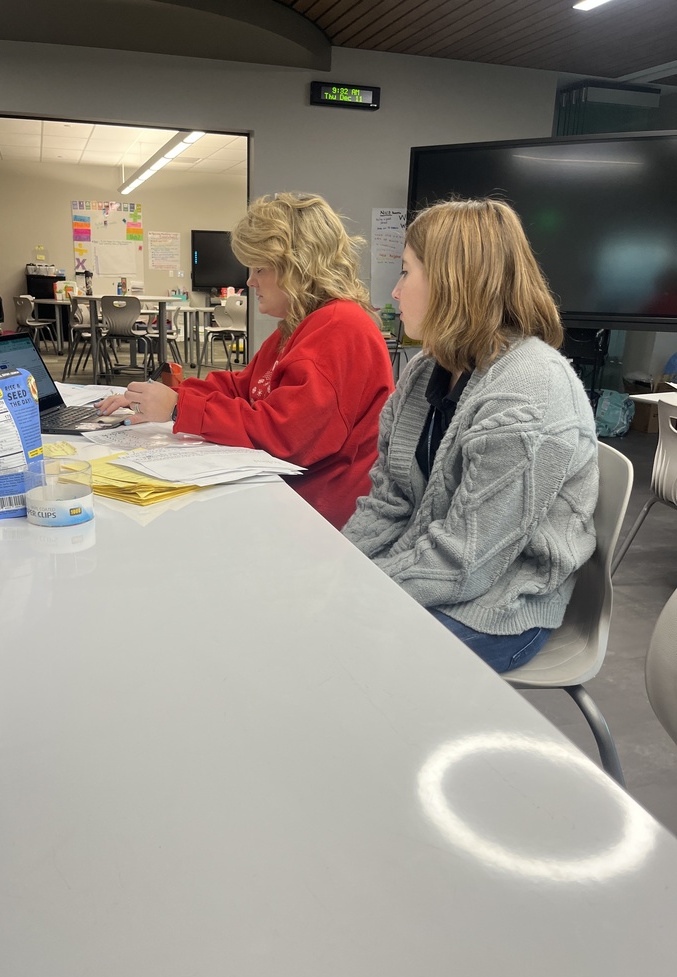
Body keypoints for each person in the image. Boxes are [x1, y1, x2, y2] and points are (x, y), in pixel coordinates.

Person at [342, 198, 599, 673]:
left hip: (501, 606)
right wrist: (336, 567)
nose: (394, 293)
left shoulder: (530, 390)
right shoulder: (425, 372)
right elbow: (388, 501)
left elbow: (468, 561)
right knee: (313, 618)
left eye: (405, 273)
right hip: (438, 576)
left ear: (453, 283)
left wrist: (360, 590)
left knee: (344, 654)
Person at [98, 192, 394, 529]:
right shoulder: (301, 325)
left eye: (259, 268)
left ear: (297, 266)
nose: (250, 281)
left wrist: (180, 409)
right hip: (294, 496)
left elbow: (287, 436)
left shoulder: (340, 327)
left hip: (321, 519)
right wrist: (165, 394)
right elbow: (245, 388)